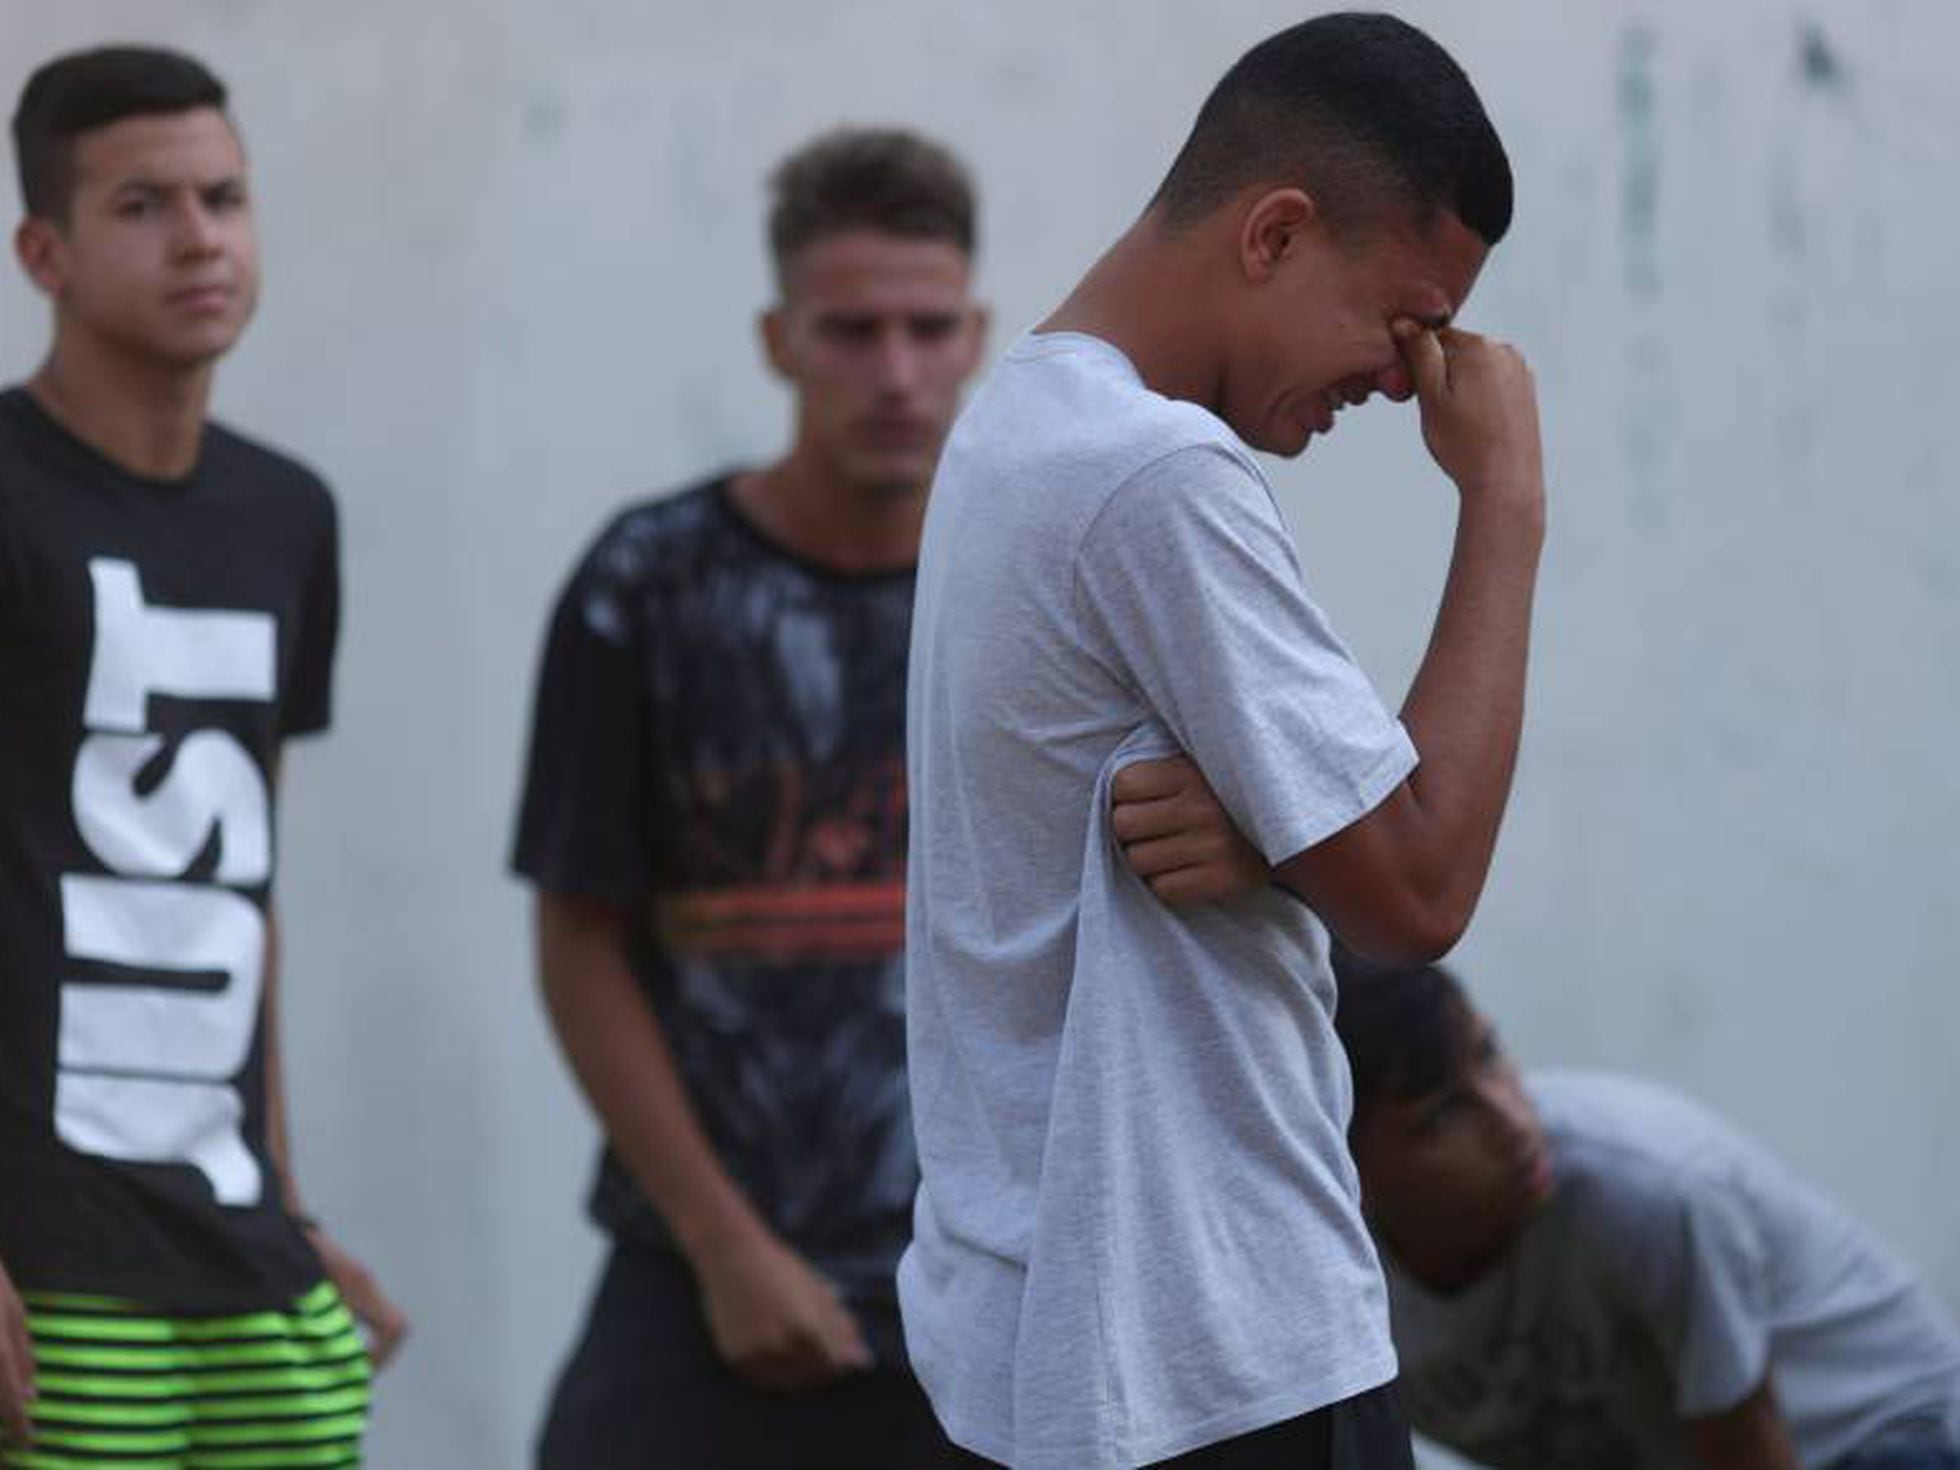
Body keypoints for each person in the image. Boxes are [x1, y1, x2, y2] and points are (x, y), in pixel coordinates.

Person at [903, 12, 1546, 1468]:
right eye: (1402, 322)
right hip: (1207, 1346)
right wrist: (1504, 503)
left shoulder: (1015, 422)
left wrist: (1278, 839)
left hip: (1037, 1333)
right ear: (1274, 233)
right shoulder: (1154, 471)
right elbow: (1420, 886)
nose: (1406, 382)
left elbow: (1326, 855)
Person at [511, 127, 989, 1467]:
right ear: (778, 339)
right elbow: (580, 940)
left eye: (927, 327)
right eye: (851, 331)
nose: (894, 372)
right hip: (703, 1283)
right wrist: (726, 1244)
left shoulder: (1039, 586)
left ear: (979, 333)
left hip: (984, 1298)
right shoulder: (647, 586)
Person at [0, 45, 406, 1466]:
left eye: (225, 198)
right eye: (144, 206)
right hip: (49, 1269)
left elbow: (243, 884)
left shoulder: (287, 512)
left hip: (241, 1254)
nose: (201, 240)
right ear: (40, 250)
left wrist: (291, 1206)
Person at [1333, 952, 1960, 1470]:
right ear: (1351, 1169)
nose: (1513, 1120)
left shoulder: (1650, 1187)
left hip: (1874, 1434)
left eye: (1491, 1053)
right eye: (1444, 1114)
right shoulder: (1332, 1282)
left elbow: (1749, 1453)